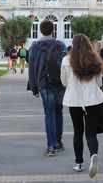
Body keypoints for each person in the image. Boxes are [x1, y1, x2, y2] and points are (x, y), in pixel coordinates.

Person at [61, 34, 103, 177]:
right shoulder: (95, 59)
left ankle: (79, 163)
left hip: (74, 100)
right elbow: (99, 83)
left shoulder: (67, 60)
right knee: (91, 133)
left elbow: (64, 82)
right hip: (92, 100)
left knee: (78, 131)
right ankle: (93, 154)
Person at [28, 20, 67, 156]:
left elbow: (32, 68)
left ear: (40, 30)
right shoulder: (61, 45)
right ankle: (58, 141)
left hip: (44, 83)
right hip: (60, 83)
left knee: (49, 113)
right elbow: (65, 65)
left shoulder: (35, 47)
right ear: (53, 30)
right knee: (59, 111)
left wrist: (34, 88)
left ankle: (51, 147)